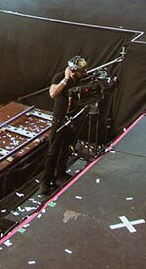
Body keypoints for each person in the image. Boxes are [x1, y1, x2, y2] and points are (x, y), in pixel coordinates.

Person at [40, 56, 88, 195]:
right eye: (81, 71)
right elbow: (53, 93)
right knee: (53, 151)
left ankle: (60, 173)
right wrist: (66, 79)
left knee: (66, 147)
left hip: (74, 117)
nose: (84, 73)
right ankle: (45, 181)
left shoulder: (83, 79)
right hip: (60, 118)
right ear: (73, 70)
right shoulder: (60, 77)